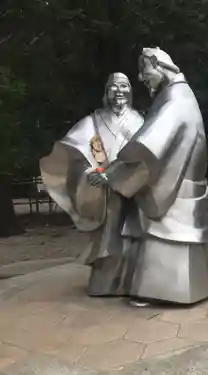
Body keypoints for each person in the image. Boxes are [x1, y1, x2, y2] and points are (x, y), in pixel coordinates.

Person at [95, 47, 208, 305]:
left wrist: (114, 174)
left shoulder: (176, 100)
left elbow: (148, 147)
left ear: (159, 65)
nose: (140, 77)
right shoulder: (176, 95)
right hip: (179, 184)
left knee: (162, 237)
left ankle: (162, 291)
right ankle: (171, 289)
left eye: (144, 70)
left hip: (174, 187)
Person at [40, 73, 144, 297]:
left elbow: (146, 153)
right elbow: (74, 151)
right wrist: (92, 171)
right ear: (106, 92)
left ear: (131, 92)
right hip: (104, 192)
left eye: (124, 86)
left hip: (133, 187)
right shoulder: (93, 122)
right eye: (113, 87)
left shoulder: (140, 122)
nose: (119, 91)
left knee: (134, 235)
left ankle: (133, 280)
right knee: (109, 235)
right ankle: (106, 280)